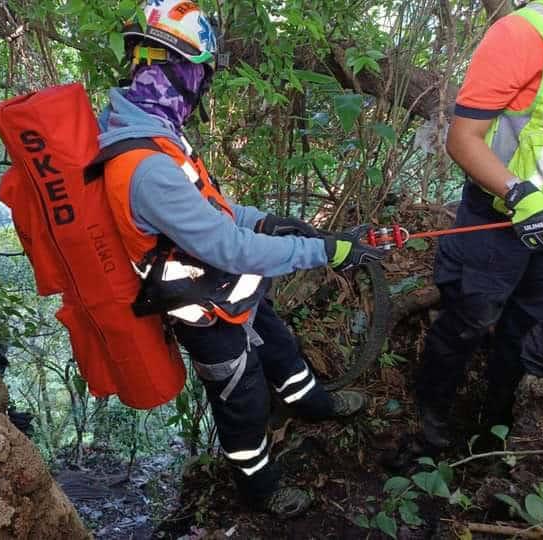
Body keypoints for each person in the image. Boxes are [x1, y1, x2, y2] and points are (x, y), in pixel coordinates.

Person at [97, 0, 384, 518]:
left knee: (280, 347)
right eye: (202, 73)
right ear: (180, 70)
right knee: (242, 401)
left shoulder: (155, 134)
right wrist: (320, 250)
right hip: (204, 312)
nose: (203, 85)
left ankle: (310, 403)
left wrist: (267, 219)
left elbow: (215, 210)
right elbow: (229, 246)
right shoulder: (145, 166)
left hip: (231, 288)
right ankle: (260, 487)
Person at [415, 0, 543, 451]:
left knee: (535, 329)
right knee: (469, 317)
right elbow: (462, 140)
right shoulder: (523, 33)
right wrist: (519, 194)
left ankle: (496, 429)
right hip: (498, 214)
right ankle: (432, 418)